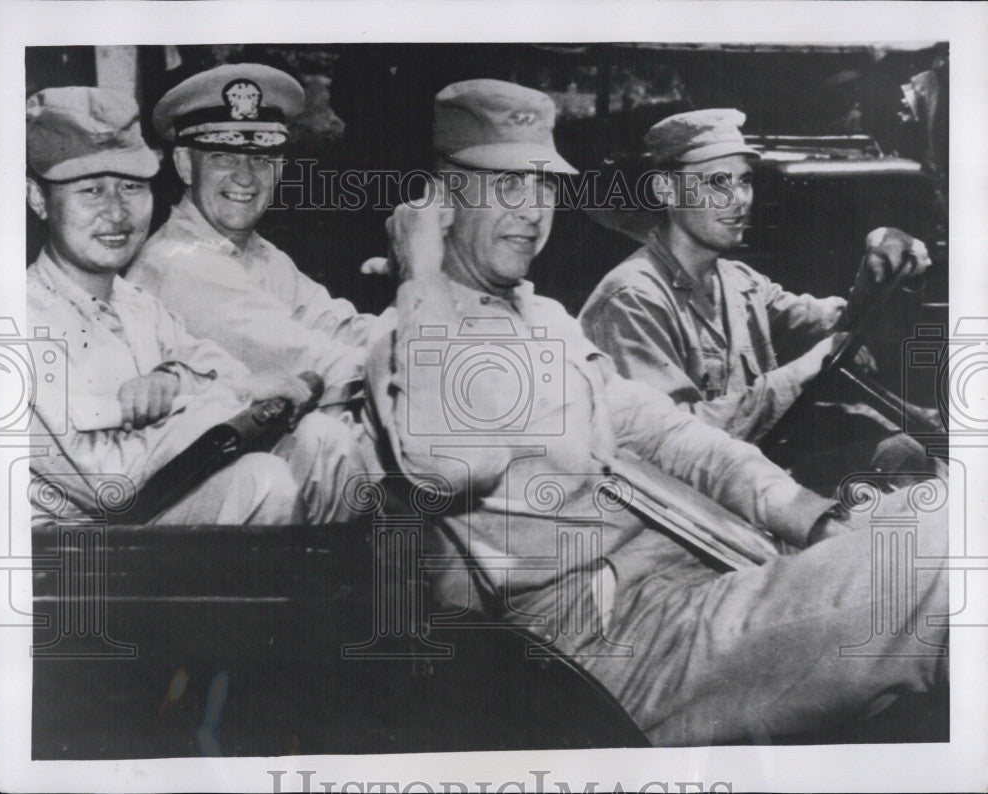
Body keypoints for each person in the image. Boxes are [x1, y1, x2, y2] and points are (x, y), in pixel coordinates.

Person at [365, 79, 948, 746]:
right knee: (942, 567)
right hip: (610, 647)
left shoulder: (544, 319)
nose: (531, 211)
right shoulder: (409, 339)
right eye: (505, 187)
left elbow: (675, 436)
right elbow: (451, 462)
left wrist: (813, 518)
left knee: (943, 514)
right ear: (442, 201)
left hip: (700, 571)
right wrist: (422, 275)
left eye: (544, 186)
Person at [26, 86, 364, 526]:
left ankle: (333, 589)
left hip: (152, 505)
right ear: (38, 200)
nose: (116, 212)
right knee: (261, 482)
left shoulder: (136, 306)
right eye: (91, 190)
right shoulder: (22, 321)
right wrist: (209, 404)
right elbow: (112, 484)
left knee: (319, 439)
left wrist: (175, 378)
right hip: (74, 548)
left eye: (131, 187)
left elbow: (226, 372)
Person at [578, 109, 939, 494]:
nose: (738, 200)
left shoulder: (739, 283)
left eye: (745, 182)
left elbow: (839, 335)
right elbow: (670, 444)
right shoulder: (633, 299)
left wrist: (879, 265)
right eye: (717, 182)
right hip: (688, 508)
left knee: (902, 454)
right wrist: (799, 373)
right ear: (665, 190)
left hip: (750, 474)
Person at [128, 63, 372, 411]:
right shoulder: (177, 261)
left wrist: (413, 337)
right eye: (223, 157)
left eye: (261, 159)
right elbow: (311, 360)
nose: (245, 178)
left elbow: (337, 324)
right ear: (184, 165)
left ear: (280, 168)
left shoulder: (259, 253)